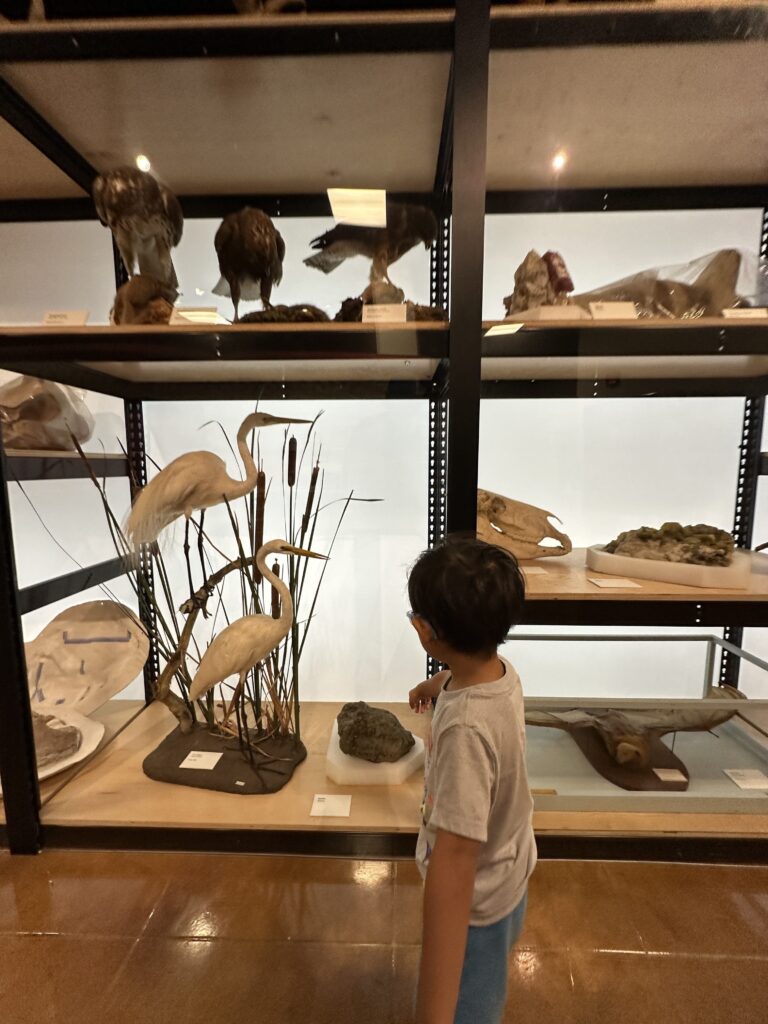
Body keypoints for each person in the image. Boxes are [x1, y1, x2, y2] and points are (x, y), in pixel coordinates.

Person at [407, 535, 536, 1024]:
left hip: (478, 903)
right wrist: (434, 683)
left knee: (470, 1007)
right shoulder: (498, 670)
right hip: (510, 869)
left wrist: (432, 1013)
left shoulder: (465, 731)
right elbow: (463, 674)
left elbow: (455, 863)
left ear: (425, 630)